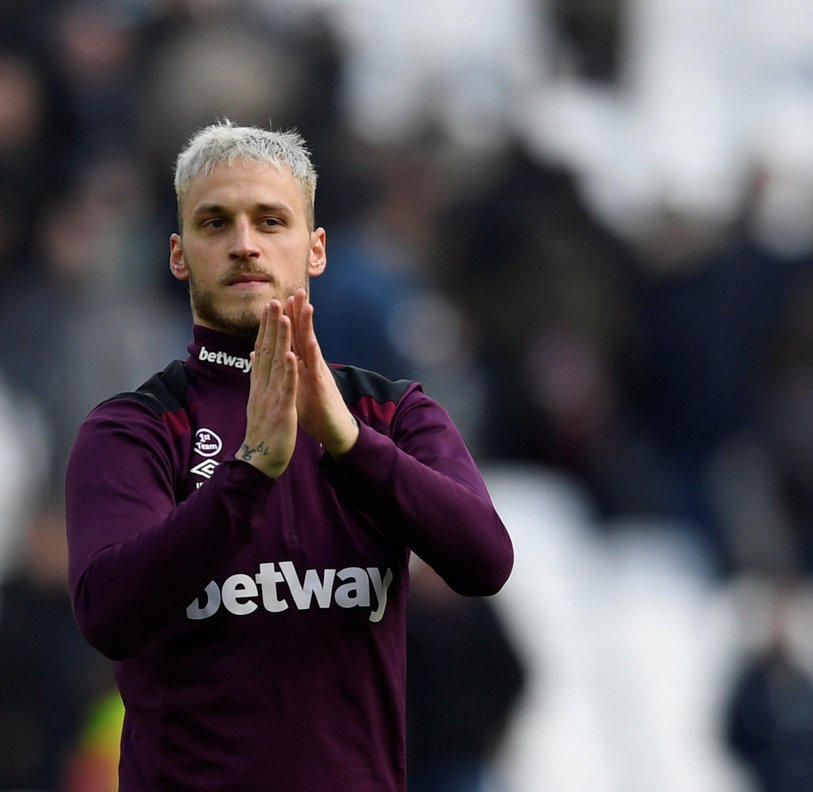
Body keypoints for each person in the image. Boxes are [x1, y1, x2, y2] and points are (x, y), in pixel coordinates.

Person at [64, 120, 514, 791]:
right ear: (179, 255)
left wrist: (351, 446)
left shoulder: (391, 415)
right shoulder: (135, 429)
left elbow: (486, 560)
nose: (244, 244)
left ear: (316, 248)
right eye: (215, 223)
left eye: (271, 221)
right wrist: (247, 476)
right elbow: (108, 614)